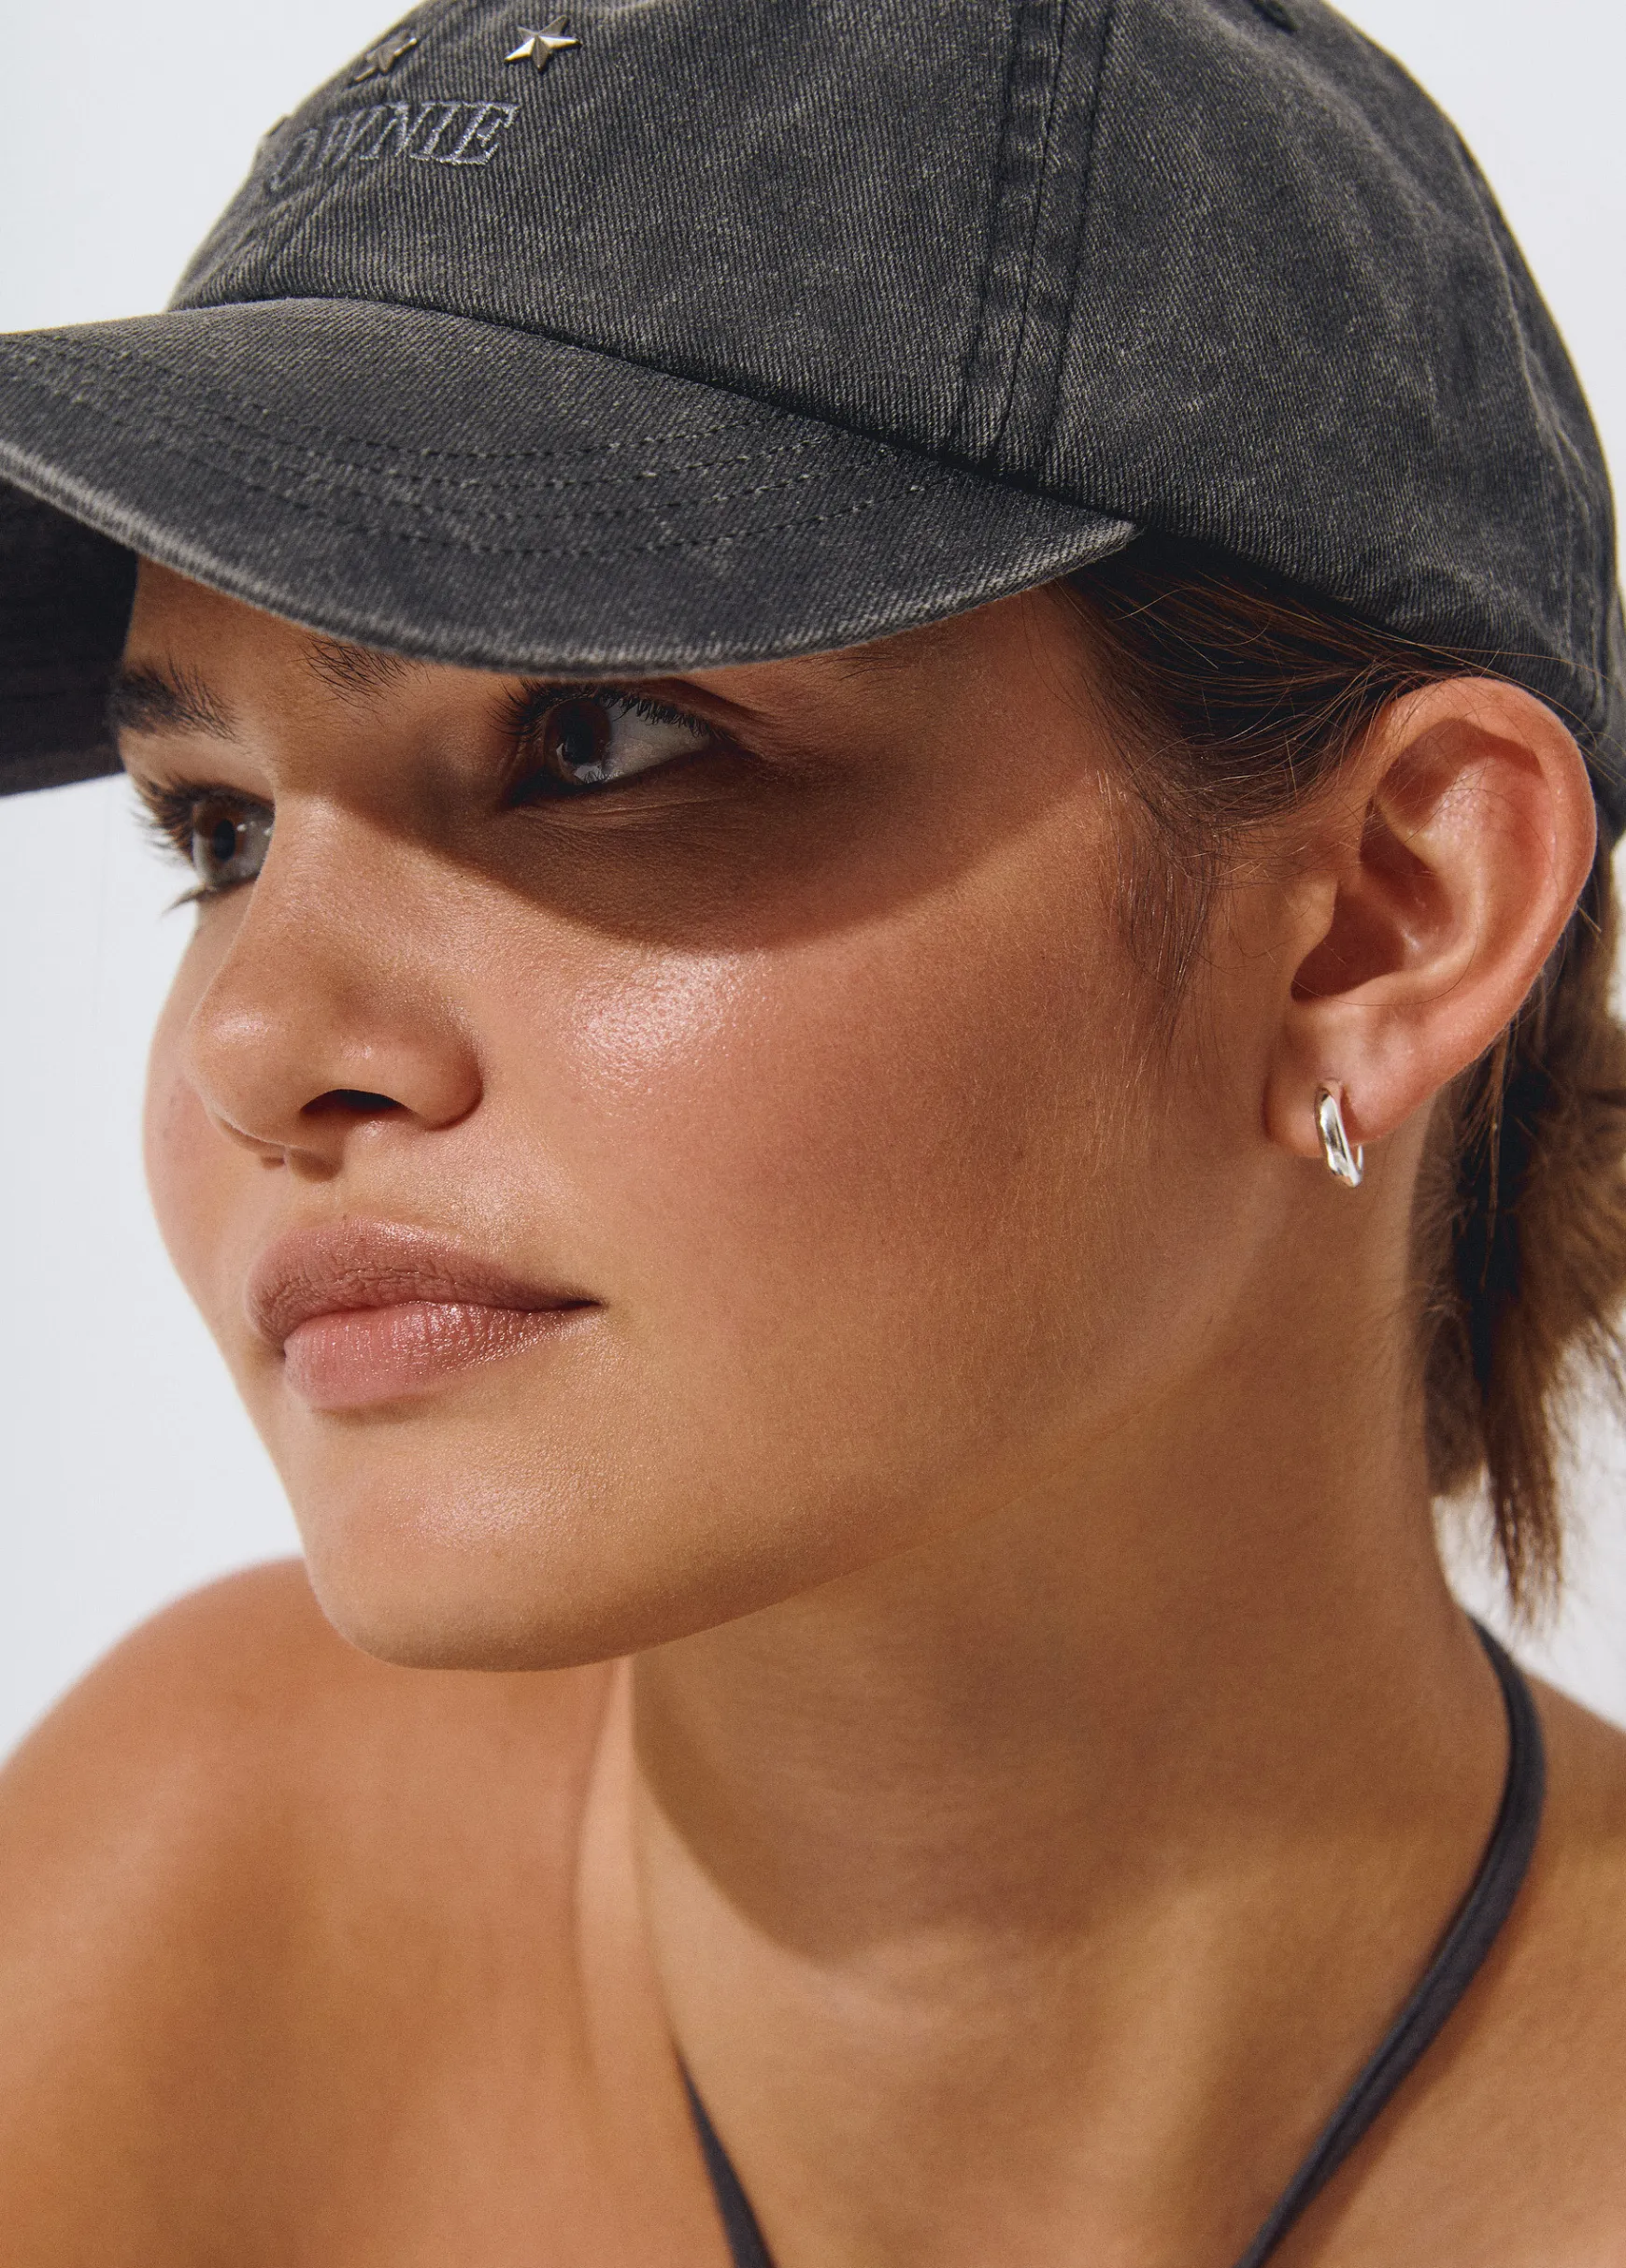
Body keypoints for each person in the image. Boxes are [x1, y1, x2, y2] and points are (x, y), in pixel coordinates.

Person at [2, 0, 1625, 2259]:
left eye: (593, 741)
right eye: (220, 827)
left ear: (1379, 916)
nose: (256, 1043)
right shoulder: (189, 1914)